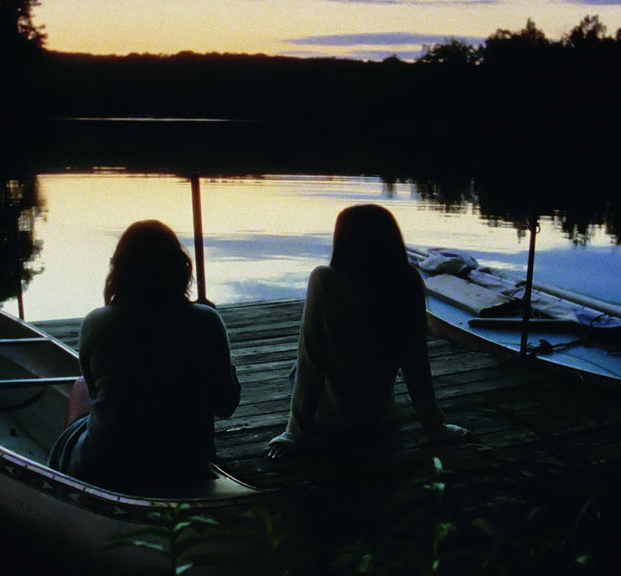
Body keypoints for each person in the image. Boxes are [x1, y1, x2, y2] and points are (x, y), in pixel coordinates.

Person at [51, 220, 240, 493]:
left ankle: (67, 482)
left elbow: (94, 390)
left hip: (109, 465)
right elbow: (226, 404)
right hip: (185, 465)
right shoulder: (206, 321)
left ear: (120, 270)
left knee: (81, 386)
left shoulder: (97, 322)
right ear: (179, 268)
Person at [267, 204, 468, 461]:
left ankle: (304, 426)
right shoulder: (408, 280)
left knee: (297, 369)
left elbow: (311, 362)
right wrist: (435, 426)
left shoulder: (324, 279)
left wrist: (292, 433)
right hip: (378, 419)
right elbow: (416, 363)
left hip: (330, 421)